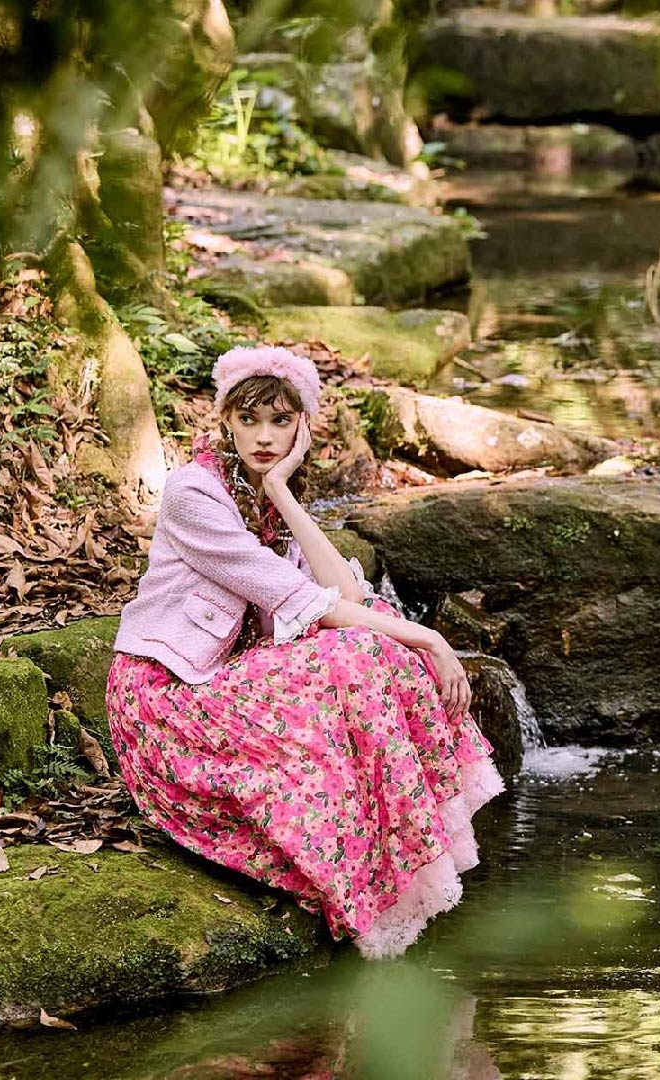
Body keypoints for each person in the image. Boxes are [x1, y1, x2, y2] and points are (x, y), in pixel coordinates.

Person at [105, 344, 504, 958]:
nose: (263, 436)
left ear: (303, 429)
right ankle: (362, 881)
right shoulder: (193, 494)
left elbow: (345, 593)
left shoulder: (266, 496)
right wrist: (431, 636)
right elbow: (297, 597)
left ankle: (389, 860)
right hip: (166, 696)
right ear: (226, 421)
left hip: (225, 678)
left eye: (281, 422)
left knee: (371, 644)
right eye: (249, 420)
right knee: (360, 652)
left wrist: (284, 495)